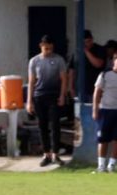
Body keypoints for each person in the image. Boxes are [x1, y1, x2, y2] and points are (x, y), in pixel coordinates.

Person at [27, 35, 67, 167]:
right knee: (42, 125)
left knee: (55, 125)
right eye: (45, 49)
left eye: (50, 49)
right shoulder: (34, 61)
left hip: (54, 95)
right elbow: (31, 82)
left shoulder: (59, 60)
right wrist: (29, 101)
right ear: (41, 46)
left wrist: (62, 96)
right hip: (39, 96)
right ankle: (46, 154)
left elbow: (63, 80)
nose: (48, 51)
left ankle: (55, 153)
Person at [93, 52, 117, 172]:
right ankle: (101, 166)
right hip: (106, 111)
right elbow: (97, 93)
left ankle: (111, 165)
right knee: (103, 139)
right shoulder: (105, 74)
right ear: (114, 61)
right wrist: (95, 110)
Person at [68, 30, 106, 102]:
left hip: (94, 89)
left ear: (92, 40)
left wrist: (86, 51)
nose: (86, 44)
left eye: (87, 41)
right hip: (79, 90)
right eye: (83, 42)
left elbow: (98, 64)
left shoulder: (100, 49)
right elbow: (71, 70)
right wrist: (70, 87)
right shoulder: (77, 52)